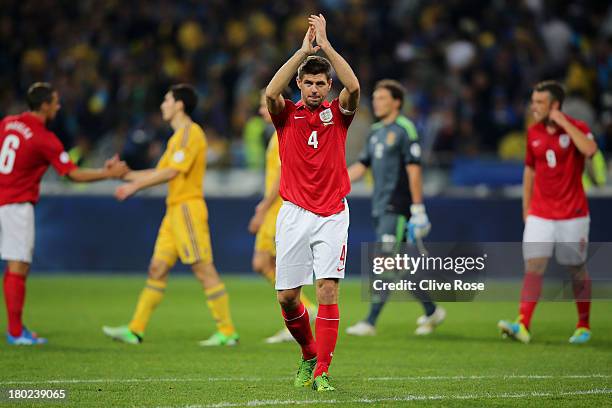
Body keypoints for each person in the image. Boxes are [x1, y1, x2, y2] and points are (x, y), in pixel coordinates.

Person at [102, 84, 239, 346]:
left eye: (166, 100)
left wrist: (133, 186)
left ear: (179, 105)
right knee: (157, 268)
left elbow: (172, 172)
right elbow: (159, 172)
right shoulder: (176, 138)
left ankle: (227, 331)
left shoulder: (190, 133)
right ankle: (135, 329)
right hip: (174, 211)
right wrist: (124, 173)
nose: (163, 105)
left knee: (203, 269)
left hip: (187, 208)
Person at [265, 14, 359, 392]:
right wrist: (302, 51)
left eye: (321, 83)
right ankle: (308, 352)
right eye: (309, 82)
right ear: (300, 84)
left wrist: (327, 44)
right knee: (288, 298)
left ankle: (322, 371)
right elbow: (271, 93)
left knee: (327, 291)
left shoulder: (339, 113)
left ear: (328, 85)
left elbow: (354, 85)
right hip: (294, 214)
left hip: (333, 214)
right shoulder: (286, 115)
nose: (315, 88)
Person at [1, 82, 128, 345]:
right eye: (55, 102)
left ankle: (16, 328)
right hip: (15, 205)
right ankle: (15, 333)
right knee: (18, 265)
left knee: (14, 266)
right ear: (45, 105)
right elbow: (73, 174)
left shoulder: (7, 123)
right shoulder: (44, 138)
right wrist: (109, 174)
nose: (58, 106)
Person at [498, 80, 598, 344]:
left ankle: (583, 325)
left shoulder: (578, 129)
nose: (534, 107)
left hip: (572, 212)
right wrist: (526, 207)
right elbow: (529, 171)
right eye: (533, 102)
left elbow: (589, 150)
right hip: (541, 212)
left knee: (575, 268)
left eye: (540, 102)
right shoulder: (533, 133)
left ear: (555, 105)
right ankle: (523, 325)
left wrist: (563, 122)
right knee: (534, 266)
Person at [345, 79, 444, 337]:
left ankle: (370, 321)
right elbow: (362, 165)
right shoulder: (376, 131)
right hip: (379, 206)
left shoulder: (404, 130)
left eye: (382, 98)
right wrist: (336, 182)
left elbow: (414, 170)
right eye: (375, 98)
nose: (376, 102)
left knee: (384, 260)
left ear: (396, 102)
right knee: (399, 266)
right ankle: (432, 311)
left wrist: (418, 208)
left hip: (397, 206)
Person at [248, 91, 317, 344]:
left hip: (278, 209)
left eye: (262, 105)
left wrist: (263, 207)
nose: (260, 110)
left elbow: (280, 175)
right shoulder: (275, 135)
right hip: (275, 208)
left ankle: (301, 312)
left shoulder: (281, 135)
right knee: (266, 264)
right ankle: (302, 310)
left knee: (270, 264)